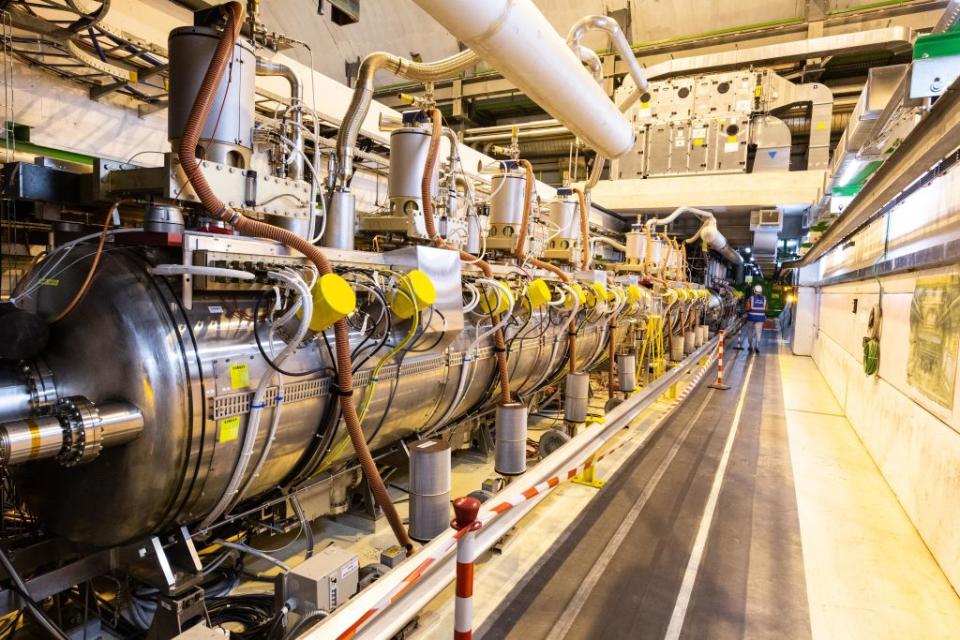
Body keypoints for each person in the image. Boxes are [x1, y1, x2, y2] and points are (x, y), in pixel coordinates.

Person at [744, 284, 767, 353]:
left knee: (750, 331)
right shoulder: (765, 299)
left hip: (751, 317)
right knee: (758, 333)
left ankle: (750, 346)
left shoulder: (751, 298)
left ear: (754, 291)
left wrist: (747, 310)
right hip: (760, 318)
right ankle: (757, 346)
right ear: (761, 291)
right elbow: (766, 309)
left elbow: (747, 308)